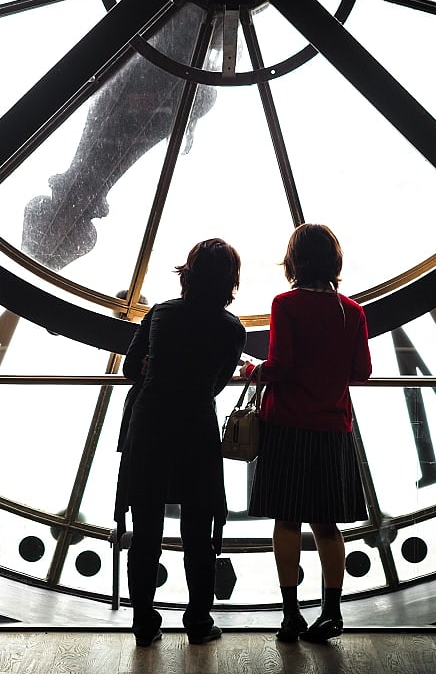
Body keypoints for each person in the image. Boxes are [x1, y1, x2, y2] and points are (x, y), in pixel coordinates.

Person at [114, 238, 247, 647]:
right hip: (196, 428)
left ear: (187, 274)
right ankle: (198, 621)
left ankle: (143, 622)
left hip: (150, 424)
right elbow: (217, 384)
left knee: (146, 528)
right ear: (229, 282)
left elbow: (129, 371)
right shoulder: (231, 329)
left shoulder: (160, 314)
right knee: (198, 532)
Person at [246, 223, 371, 643]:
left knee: (287, 521)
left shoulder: (285, 304)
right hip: (333, 426)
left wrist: (252, 371)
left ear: (294, 262)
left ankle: (290, 614)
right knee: (326, 524)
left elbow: (278, 365)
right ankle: (331, 611)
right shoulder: (352, 312)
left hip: (287, 426)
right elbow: (361, 372)